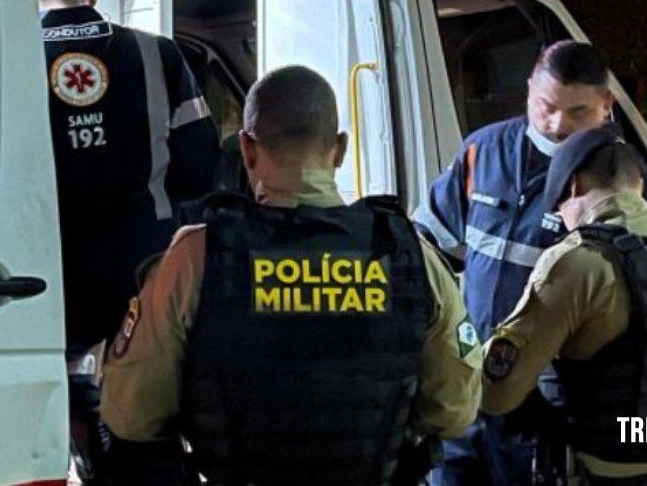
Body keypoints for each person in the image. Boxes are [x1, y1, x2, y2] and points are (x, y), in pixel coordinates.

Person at [100, 65, 483, 486]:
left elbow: (131, 416)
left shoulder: (195, 258)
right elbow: (454, 411)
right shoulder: (409, 253)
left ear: (247, 149)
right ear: (339, 149)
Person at [414, 40, 647, 485]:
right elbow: (425, 245)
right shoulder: (483, 153)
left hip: (547, 420)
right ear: (529, 88)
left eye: (578, 113)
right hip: (466, 399)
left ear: (606, 106)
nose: (557, 125)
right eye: (545, 106)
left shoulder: (627, 184)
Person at [34, 0, 220, 479]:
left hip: (53, 268)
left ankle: (81, 440)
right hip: (143, 267)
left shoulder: (13, 54)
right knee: (143, 394)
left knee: (65, 375)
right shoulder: (157, 54)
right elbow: (200, 165)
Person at [482, 127, 647, 485]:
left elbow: (496, 392)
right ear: (638, 185)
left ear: (572, 188)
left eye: (559, 210)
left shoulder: (580, 262)